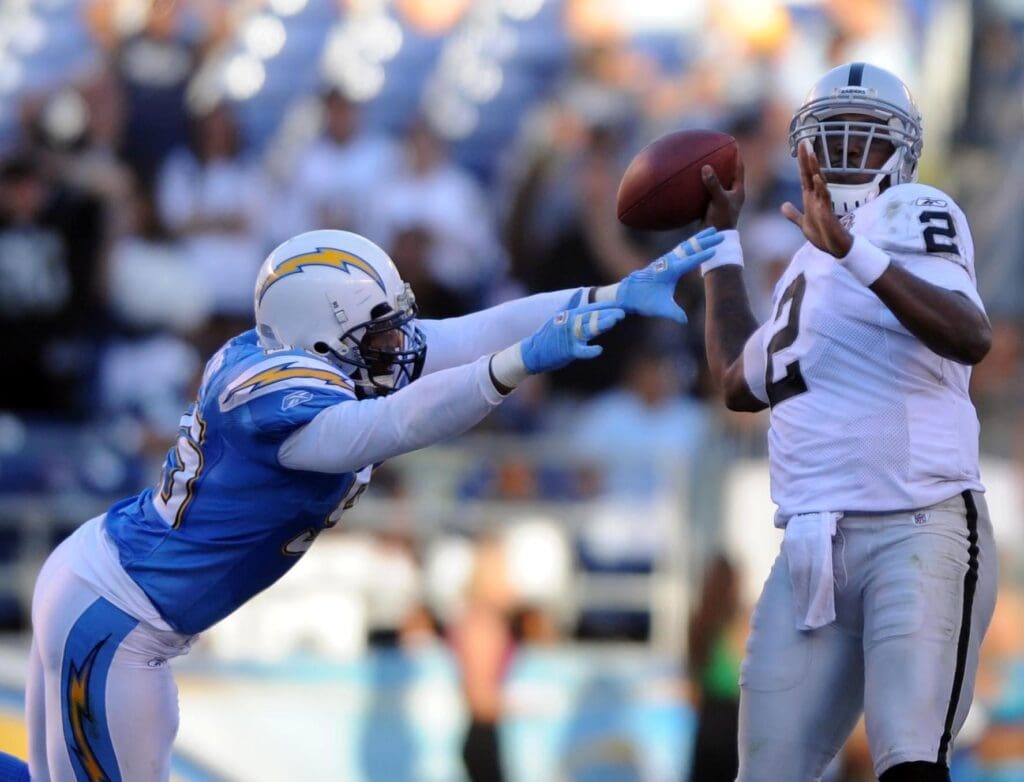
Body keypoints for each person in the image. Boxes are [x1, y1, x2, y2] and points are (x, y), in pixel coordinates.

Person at [22, 226, 722, 780]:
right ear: (320, 333)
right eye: (378, 331)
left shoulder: (316, 351)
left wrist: (613, 294)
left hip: (102, 586)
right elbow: (393, 425)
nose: (398, 343)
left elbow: (469, 332)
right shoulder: (277, 400)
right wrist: (518, 366)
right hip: (121, 621)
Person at [697, 62, 997, 782]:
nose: (843, 156)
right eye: (829, 137)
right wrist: (720, 246)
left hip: (917, 529)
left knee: (907, 761)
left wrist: (855, 254)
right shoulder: (805, 265)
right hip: (810, 547)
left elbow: (969, 335)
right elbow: (740, 384)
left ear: (901, 152)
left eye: (864, 140)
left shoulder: (914, 212)